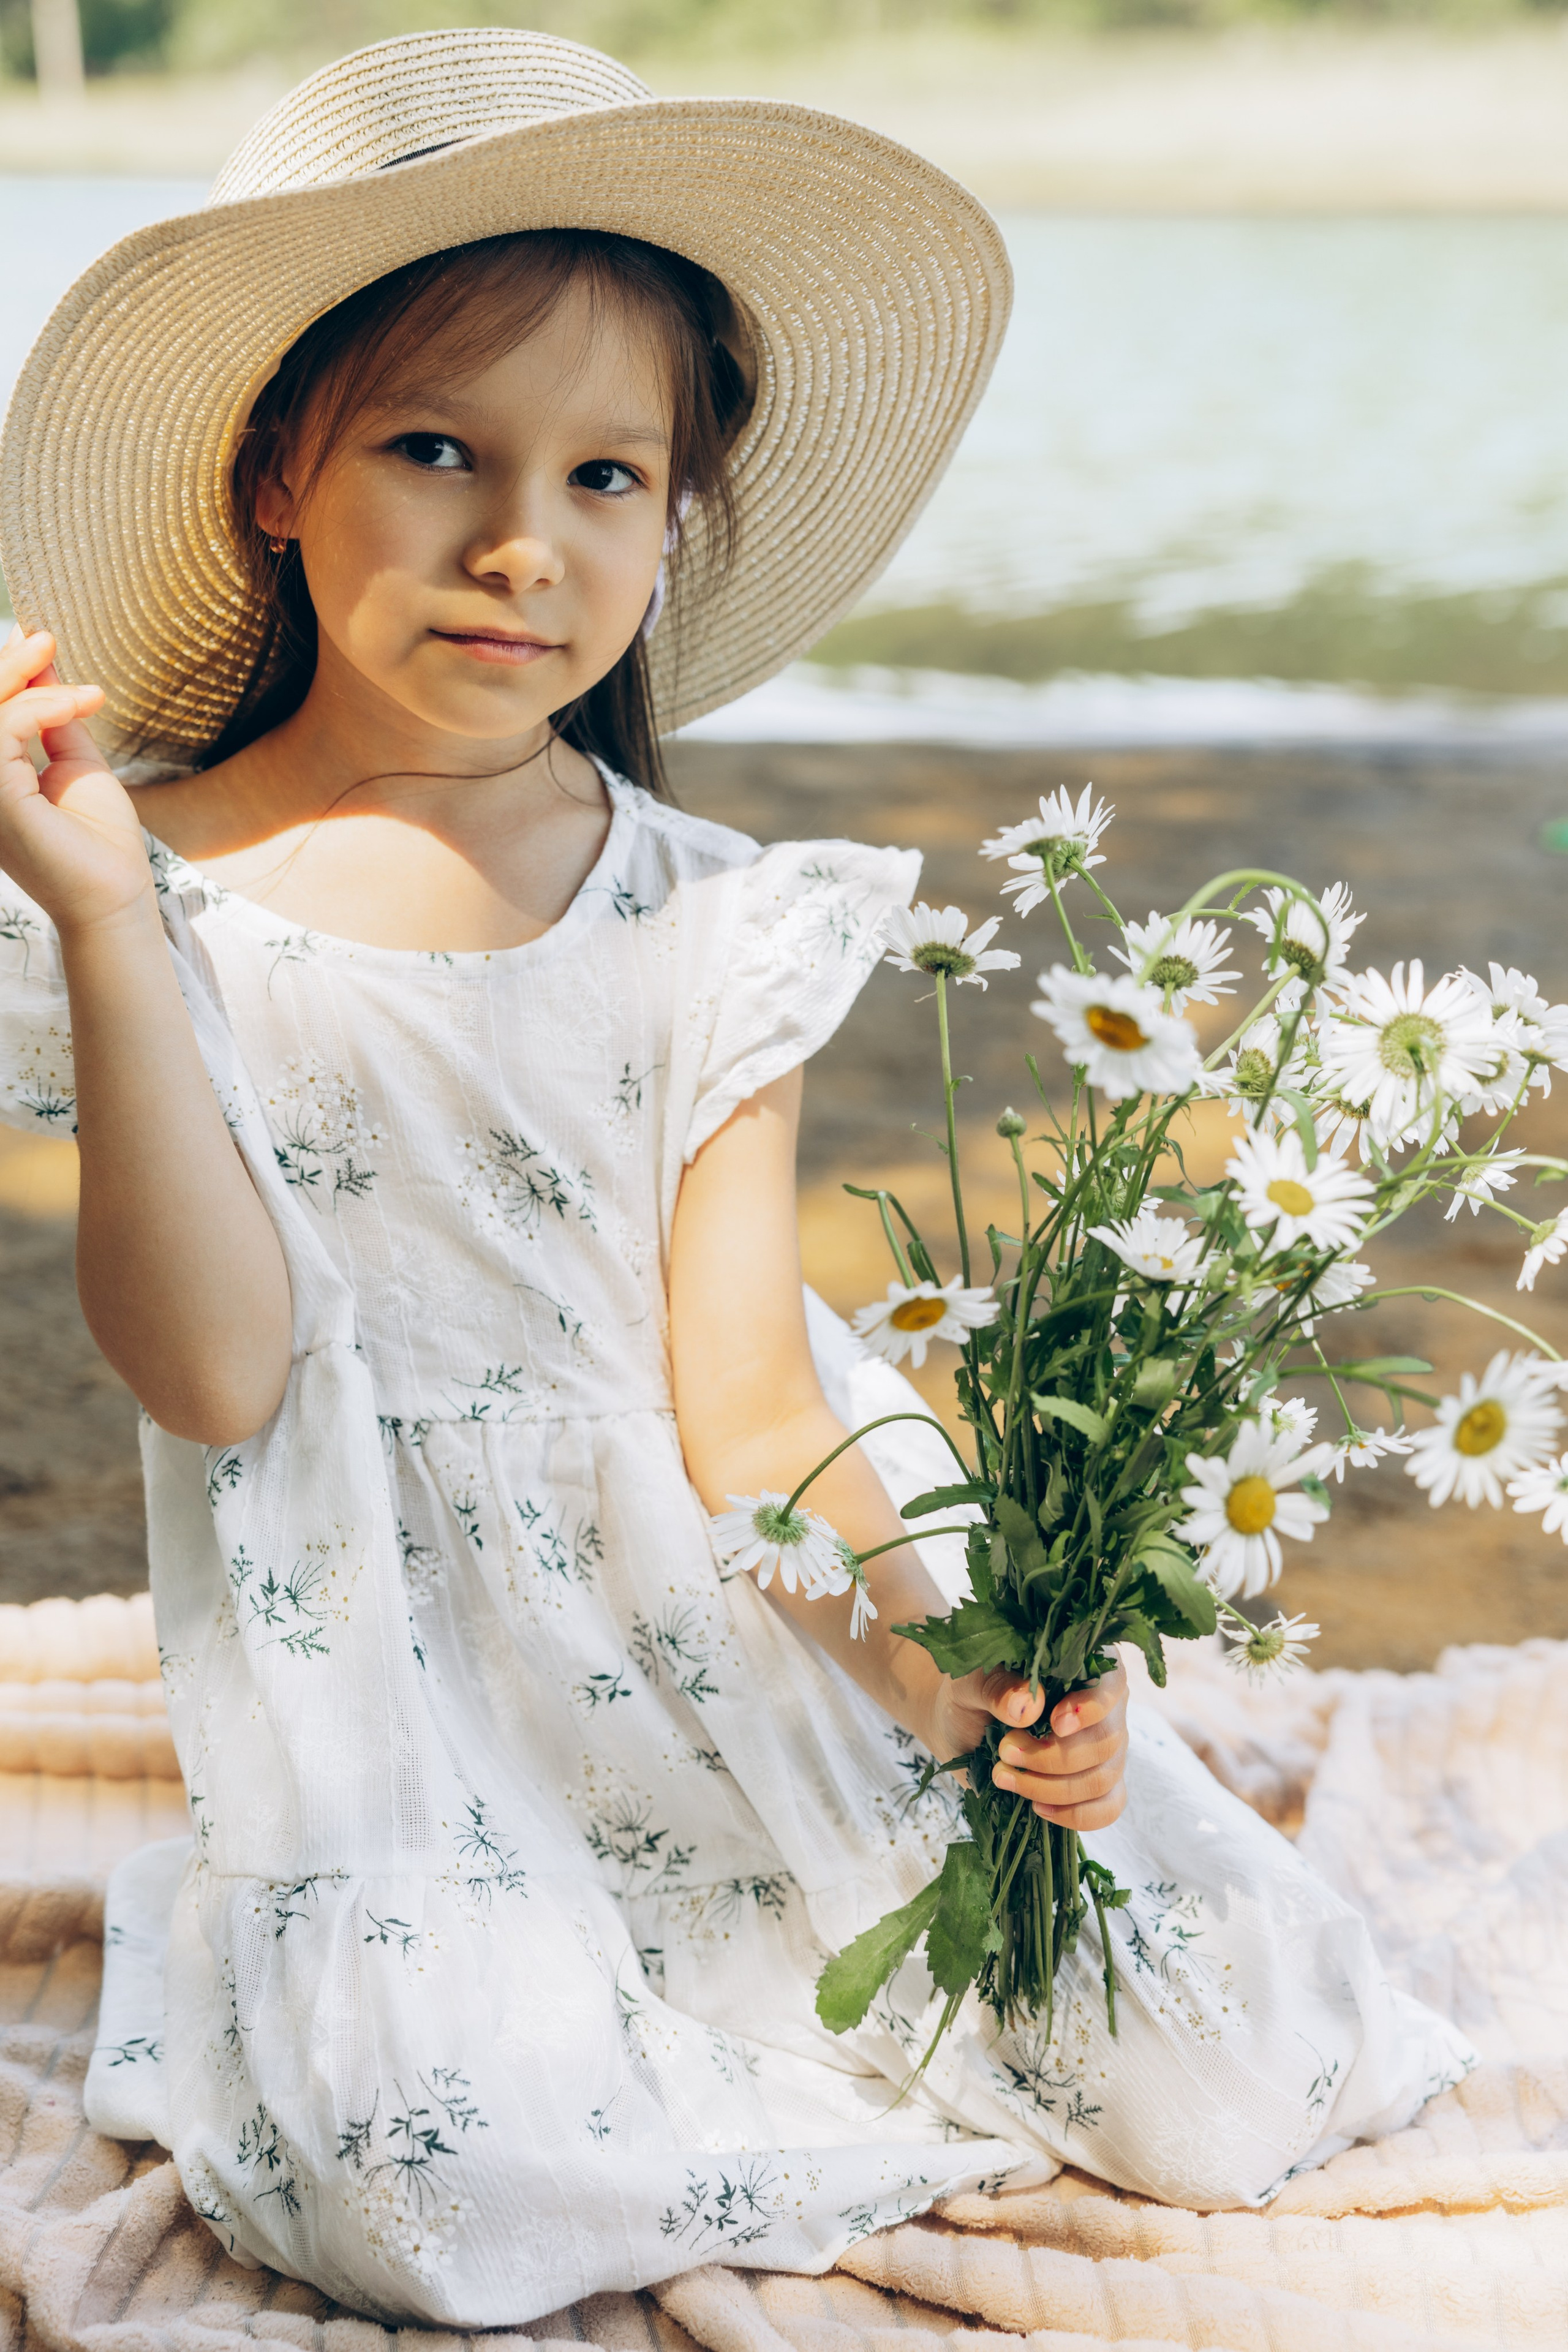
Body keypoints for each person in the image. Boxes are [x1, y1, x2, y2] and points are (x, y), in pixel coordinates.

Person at [0, 29, 1471, 2329]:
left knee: (1212, 2074)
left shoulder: (699, 905)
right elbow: (210, 1380)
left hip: (729, 1625)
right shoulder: (156, 889)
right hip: (404, 1678)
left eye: (608, 475)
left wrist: (966, 1660)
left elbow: (760, 1415)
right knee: (444, 2192)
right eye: (433, 450)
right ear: (278, 467)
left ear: (679, 515)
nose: (525, 543)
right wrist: (98, 922)